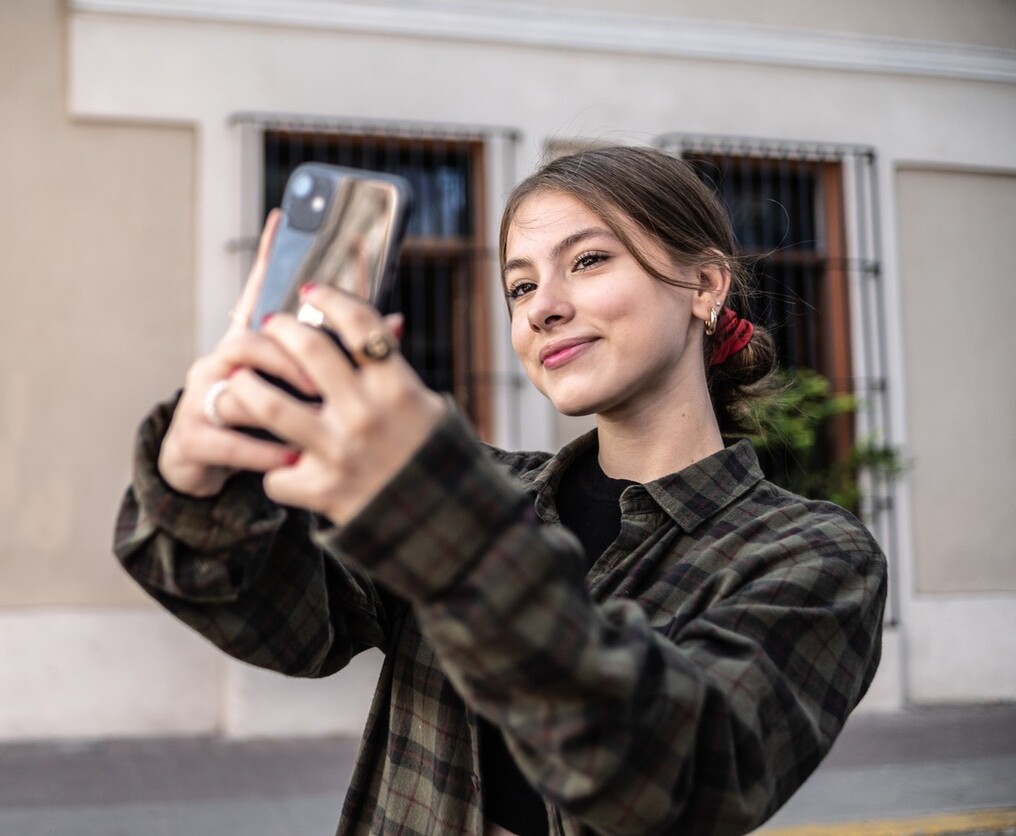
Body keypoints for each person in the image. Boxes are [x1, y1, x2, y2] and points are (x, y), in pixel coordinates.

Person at [114, 146, 887, 835]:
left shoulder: (811, 557)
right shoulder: (493, 490)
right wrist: (196, 482)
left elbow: (681, 779)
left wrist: (441, 519)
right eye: (519, 287)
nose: (542, 307)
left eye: (587, 261)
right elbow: (282, 625)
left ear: (705, 285)